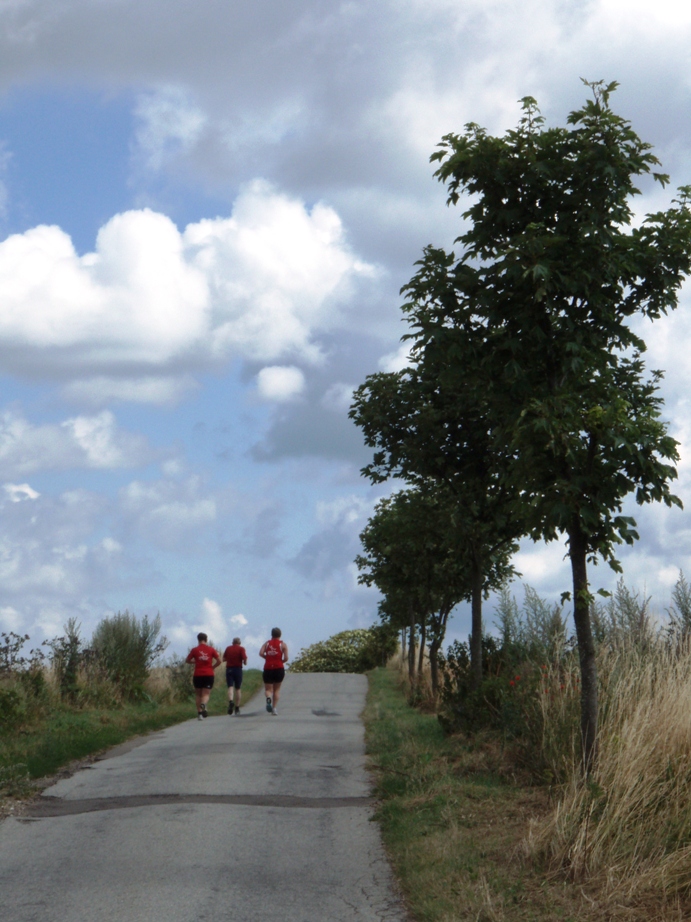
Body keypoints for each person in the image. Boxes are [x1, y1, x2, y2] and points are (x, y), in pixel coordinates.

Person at [186, 632, 221, 720]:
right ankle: (204, 704)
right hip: (208, 674)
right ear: (206, 639)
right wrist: (213, 667)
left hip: (197, 674)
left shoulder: (194, 650)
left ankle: (199, 714)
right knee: (206, 694)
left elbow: (187, 660)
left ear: (198, 640)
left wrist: (195, 662)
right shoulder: (211, 649)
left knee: (198, 695)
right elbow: (219, 660)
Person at [259, 627, 288, 716]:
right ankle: (274, 709)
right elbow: (286, 658)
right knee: (276, 690)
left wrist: (267, 658)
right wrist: (280, 662)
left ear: (271, 635)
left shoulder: (267, 643)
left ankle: (268, 698)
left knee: (268, 689)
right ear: (280, 635)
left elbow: (260, 653)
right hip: (279, 668)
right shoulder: (283, 644)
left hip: (268, 668)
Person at [222, 636, 248, 715]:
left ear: (232, 643)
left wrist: (229, 659)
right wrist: (245, 663)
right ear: (239, 643)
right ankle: (237, 707)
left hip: (229, 669)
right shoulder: (241, 649)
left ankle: (230, 701)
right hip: (238, 669)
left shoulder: (228, 648)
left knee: (230, 687)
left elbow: (223, 659)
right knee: (238, 689)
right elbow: (245, 658)